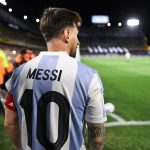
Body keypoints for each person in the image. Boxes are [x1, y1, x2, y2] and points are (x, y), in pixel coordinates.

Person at [4, 7, 107, 150]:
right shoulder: (88, 76)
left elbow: (9, 123)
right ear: (67, 34)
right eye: (76, 35)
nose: (77, 42)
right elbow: (97, 137)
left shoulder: (19, 73)